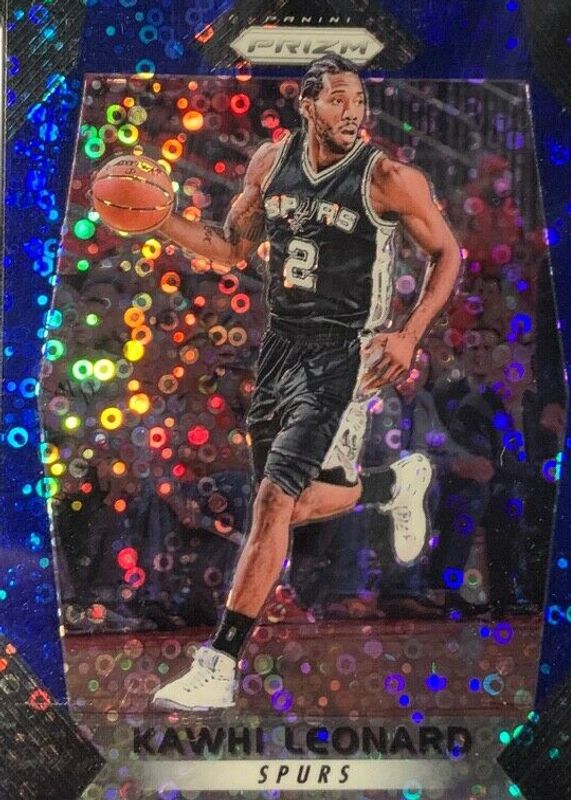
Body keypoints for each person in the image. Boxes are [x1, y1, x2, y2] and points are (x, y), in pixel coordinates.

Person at [97, 55, 461, 709]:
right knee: (288, 506)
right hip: (281, 349)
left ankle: (218, 663)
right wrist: (160, 221)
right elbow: (231, 248)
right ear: (307, 103)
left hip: (346, 353)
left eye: (359, 101)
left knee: (271, 502)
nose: (352, 111)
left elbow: (448, 252)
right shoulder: (270, 162)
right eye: (339, 99)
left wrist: (407, 335)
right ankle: (393, 484)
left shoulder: (386, 177)